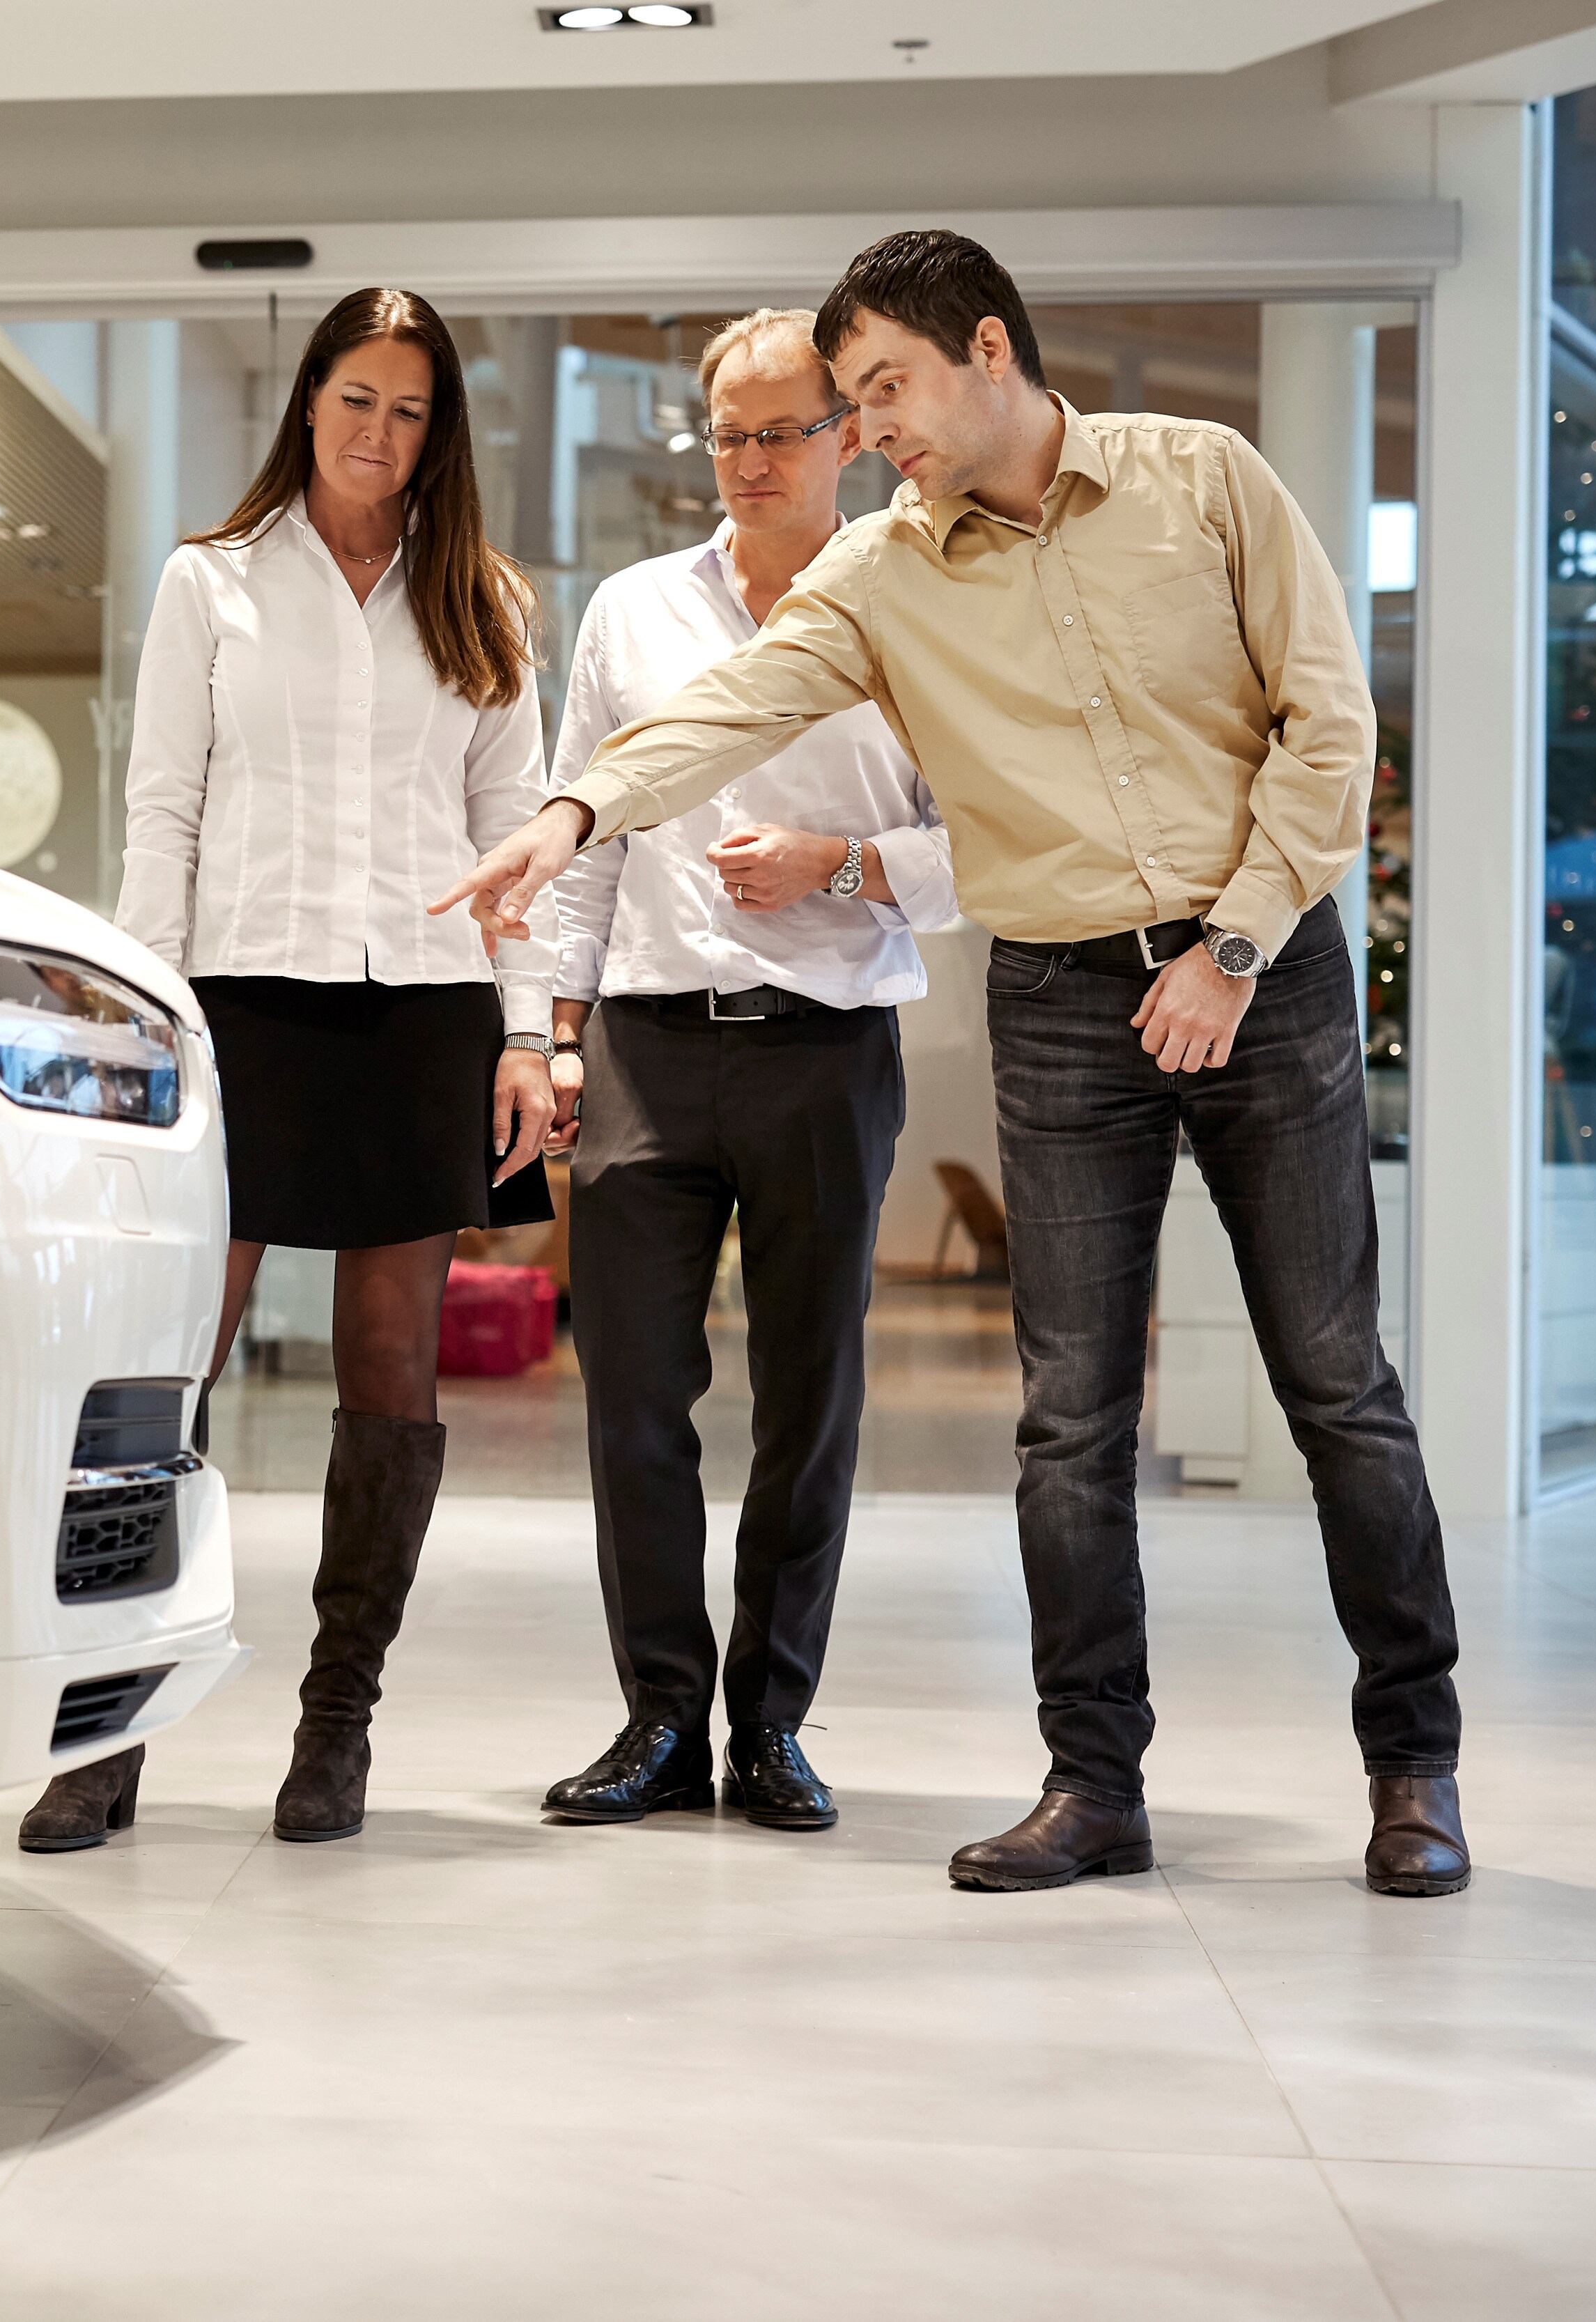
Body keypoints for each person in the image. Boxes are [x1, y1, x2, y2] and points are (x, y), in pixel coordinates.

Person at [436, 231, 1467, 1900]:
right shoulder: (884, 570)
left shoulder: (1202, 481)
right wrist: (566, 817)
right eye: (847, 401)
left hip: (1258, 974)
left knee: (1334, 1382)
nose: (870, 430)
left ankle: (1410, 1764)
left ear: (987, 348)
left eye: (883, 390)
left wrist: (1229, 946)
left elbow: (1327, 728)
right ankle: (1092, 1780)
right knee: (1069, 1416)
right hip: (1063, 998)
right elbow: (735, 703)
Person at [17, 285, 557, 1852]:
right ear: (305, 401)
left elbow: (510, 837)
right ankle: (110, 1722)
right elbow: (163, 816)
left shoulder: (485, 603)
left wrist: (527, 1033)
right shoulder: (212, 581)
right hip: (237, 1013)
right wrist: (141, 1024)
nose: (379, 434)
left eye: (409, 408)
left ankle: (337, 1722)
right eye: (355, 399)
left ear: (436, 428)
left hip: (418, 1016)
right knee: (167, 1370)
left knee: (390, 1374)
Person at [535, 309, 956, 1834]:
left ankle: (768, 1722)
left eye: (785, 429)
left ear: (847, 435)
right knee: (632, 1400)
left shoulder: (916, 612)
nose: (754, 460)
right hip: (645, 1046)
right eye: (729, 433)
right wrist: (548, 1031)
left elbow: (981, 846)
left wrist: (837, 863)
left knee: (808, 1400)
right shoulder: (632, 613)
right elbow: (579, 841)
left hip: (823, 1050)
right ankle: (657, 1716)